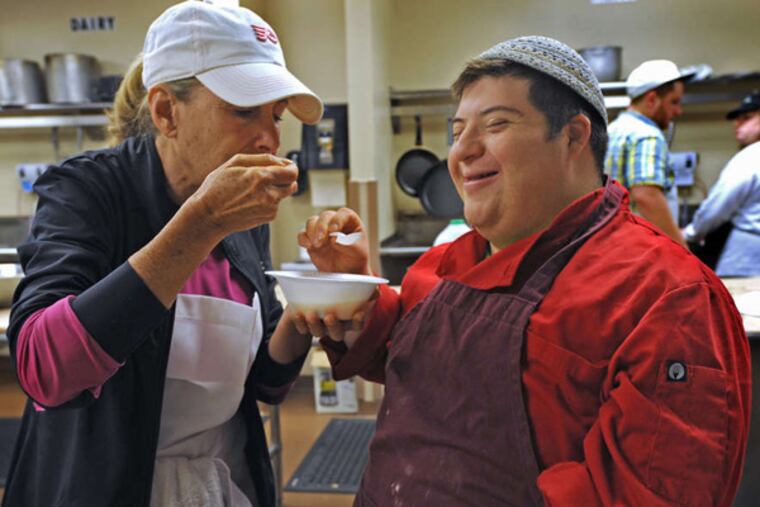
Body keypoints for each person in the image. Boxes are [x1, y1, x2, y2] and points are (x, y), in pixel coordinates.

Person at [295, 36, 750, 506]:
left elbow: (642, 494)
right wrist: (355, 290)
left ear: (573, 136)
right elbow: (409, 360)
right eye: (456, 133)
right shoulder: (446, 260)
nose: (462, 152)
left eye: (495, 125)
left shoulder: (665, 297)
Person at [5, 2, 324, 506]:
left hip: (224, 485)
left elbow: (265, 383)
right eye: (243, 110)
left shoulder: (242, 223)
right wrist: (200, 225)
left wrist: (310, 309)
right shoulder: (88, 192)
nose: (270, 139)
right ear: (165, 111)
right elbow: (43, 371)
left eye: (276, 116)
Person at [605, 59, 694, 246]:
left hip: (617, 244)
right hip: (643, 246)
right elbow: (646, 195)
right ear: (652, 99)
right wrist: (681, 250)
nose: (678, 111)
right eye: (674, 102)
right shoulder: (647, 135)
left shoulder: (614, 129)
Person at [683, 90, 760, 276]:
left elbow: (719, 205)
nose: (737, 124)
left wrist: (692, 232)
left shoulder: (750, 156)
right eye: (737, 119)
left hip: (746, 257)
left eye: (747, 118)